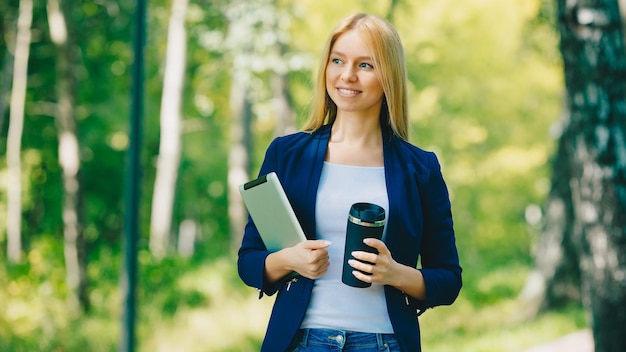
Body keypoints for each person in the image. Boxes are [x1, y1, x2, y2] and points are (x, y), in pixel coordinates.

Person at [238, 13, 462, 352]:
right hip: (302, 341)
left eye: (365, 65)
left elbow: (447, 280)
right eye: (338, 60)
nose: (347, 75)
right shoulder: (287, 154)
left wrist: (395, 273)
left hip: (384, 342)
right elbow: (249, 262)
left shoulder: (420, 168)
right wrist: (290, 260)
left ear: (389, 76)